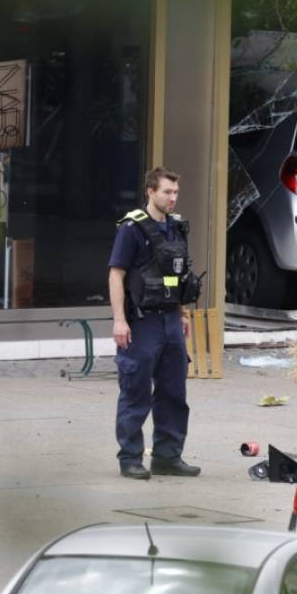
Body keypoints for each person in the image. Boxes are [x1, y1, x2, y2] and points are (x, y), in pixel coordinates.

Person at [108, 167, 202, 479]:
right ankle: (131, 458)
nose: (172, 198)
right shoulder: (131, 229)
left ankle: (167, 457)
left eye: (175, 192)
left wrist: (182, 314)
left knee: (174, 393)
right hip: (141, 323)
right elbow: (116, 275)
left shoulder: (176, 228)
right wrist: (119, 321)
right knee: (136, 393)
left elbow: (175, 276)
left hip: (170, 322)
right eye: (166, 192)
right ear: (150, 191)